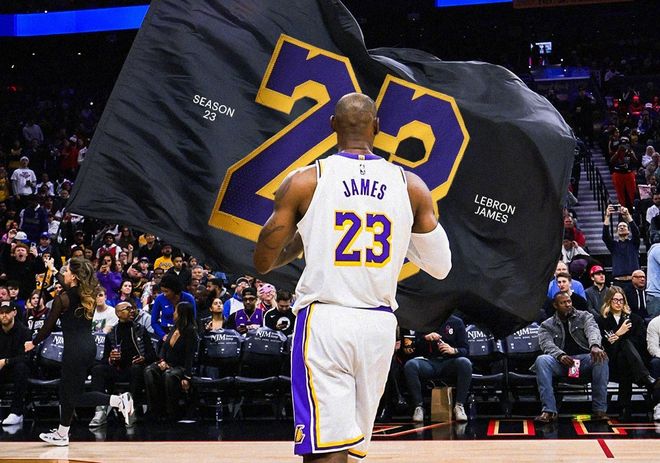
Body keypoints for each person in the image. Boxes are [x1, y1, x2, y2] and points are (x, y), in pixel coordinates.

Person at [253, 93, 451, 462]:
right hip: (378, 325)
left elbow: (263, 260)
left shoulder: (305, 181)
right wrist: (401, 233)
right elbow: (440, 266)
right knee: (344, 444)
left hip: (326, 320)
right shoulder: (411, 186)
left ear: (332, 125)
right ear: (377, 127)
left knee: (325, 446)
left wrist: (306, 236)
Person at [24, 258, 134, 446]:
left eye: (66, 271)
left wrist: (33, 342)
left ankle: (118, 401)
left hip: (74, 350)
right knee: (65, 391)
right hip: (88, 348)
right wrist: (53, 269)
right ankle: (62, 434)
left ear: (74, 276)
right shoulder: (88, 294)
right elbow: (67, 282)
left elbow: (48, 327)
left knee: (73, 396)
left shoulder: (62, 299)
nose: (64, 274)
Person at [532, 292, 609, 423]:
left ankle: (599, 410)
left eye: (569, 301)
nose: (568, 305)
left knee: (601, 357)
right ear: (555, 305)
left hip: (584, 361)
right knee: (542, 360)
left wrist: (595, 345)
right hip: (561, 363)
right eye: (563, 303)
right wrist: (560, 355)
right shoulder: (546, 325)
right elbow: (546, 344)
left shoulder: (585, 316)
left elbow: (593, 331)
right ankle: (549, 411)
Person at [89, 301, 156, 428]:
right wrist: (110, 358)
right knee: (98, 369)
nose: (132, 311)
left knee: (136, 369)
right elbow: (104, 359)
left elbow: (152, 355)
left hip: (135, 369)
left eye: (132, 309)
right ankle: (100, 411)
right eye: (128, 309)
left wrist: (143, 358)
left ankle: (131, 410)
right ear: (118, 313)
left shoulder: (140, 330)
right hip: (118, 369)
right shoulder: (112, 333)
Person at [598, 287, 658, 420]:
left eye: (621, 300)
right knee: (624, 347)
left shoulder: (635, 319)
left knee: (624, 357)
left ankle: (624, 408)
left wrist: (616, 338)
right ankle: (645, 378)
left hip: (630, 361)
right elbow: (603, 343)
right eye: (615, 300)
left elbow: (641, 341)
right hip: (610, 360)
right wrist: (620, 333)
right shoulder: (601, 320)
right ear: (609, 301)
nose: (618, 303)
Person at [403, 315, 471, 423]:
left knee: (465, 362)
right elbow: (414, 348)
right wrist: (425, 338)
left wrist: (454, 350)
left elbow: (466, 350)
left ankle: (459, 406)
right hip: (429, 362)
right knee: (410, 365)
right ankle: (418, 407)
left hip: (449, 362)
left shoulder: (456, 322)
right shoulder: (424, 322)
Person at [144, 301, 197, 421]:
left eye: (176, 311)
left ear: (182, 314)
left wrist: (187, 377)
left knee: (169, 375)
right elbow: (164, 347)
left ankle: (172, 411)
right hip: (168, 363)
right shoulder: (174, 328)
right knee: (149, 370)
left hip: (181, 366)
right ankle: (155, 409)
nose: (173, 313)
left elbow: (189, 357)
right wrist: (162, 360)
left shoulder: (191, 331)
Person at [0, 304, 31, 426]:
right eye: (1, 313)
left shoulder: (24, 332)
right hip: (1, 369)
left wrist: (6, 361)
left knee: (21, 368)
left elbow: (26, 357)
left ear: (14, 313)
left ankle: (16, 412)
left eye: (7, 312)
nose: (4, 315)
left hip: (16, 368)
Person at [150, 273, 196, 342]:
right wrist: (163, 335)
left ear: (174, 290)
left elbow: (193, 319)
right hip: (165, 332)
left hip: (184, 332)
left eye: (166, 291)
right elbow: (154, 322)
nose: (164, 294)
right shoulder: (159, 298)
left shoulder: (188, 298)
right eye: (162, 291)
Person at [603, 205, 640, 290]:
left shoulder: (634, 243)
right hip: (618, 283)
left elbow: (636, 233)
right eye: (619, 226)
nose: (622, 227)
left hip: (633, 282)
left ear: (628, 231)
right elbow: (605, 236)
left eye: (624, 226)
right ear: (616, 232)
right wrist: (607, 216)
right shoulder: (613, 246)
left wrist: (628, 215)